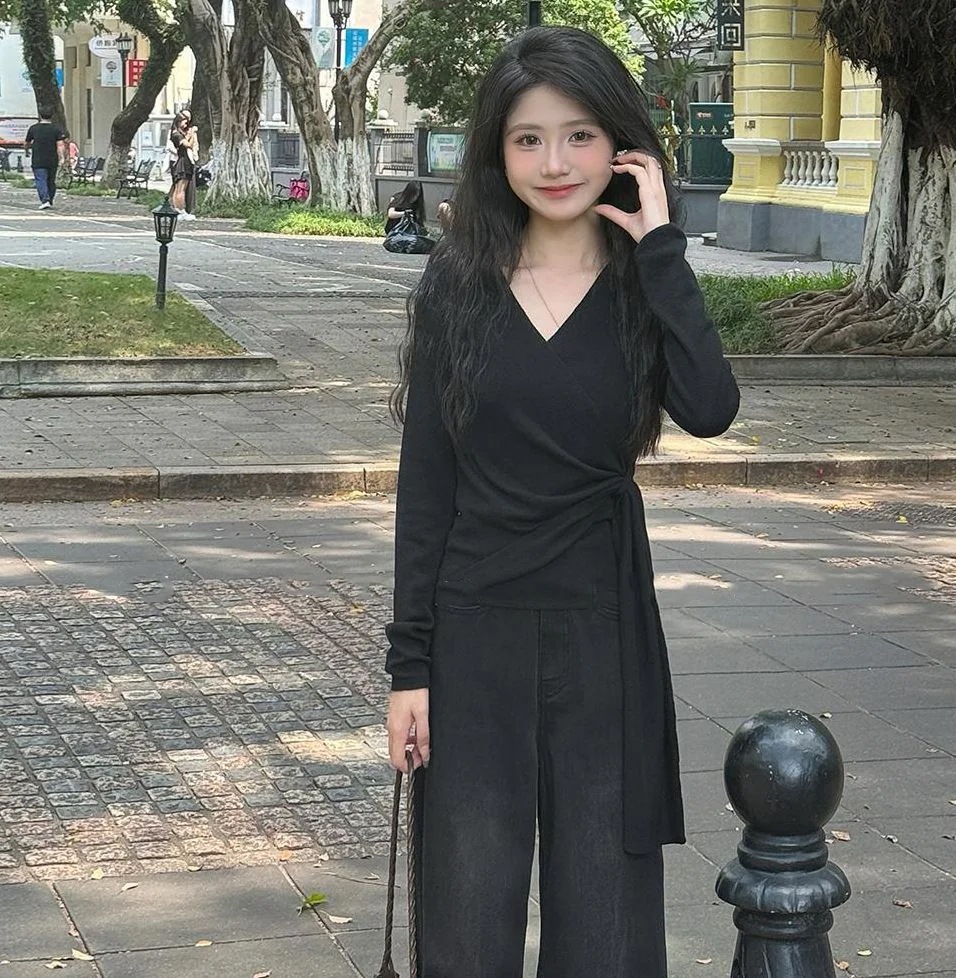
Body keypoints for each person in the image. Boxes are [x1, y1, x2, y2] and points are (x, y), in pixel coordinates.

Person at [384, 26, 740, 978]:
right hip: (474, 633)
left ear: (621, 145)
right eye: (529, 139)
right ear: (498, 153)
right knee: (466, 926)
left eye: (580, 135)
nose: (554, 163)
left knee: (605, 929)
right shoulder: (458, 284)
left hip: (603, 633)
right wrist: (408, 670)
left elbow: (711, 408)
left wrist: (661, 247)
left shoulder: (641, 283)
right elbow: (427, 486)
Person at [24, 106, 67, 211]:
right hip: (52, 159)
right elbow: (60, 145)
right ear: (52, 116)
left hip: (38, 159)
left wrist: (27, 150)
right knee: (51, 181)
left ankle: (45, 199)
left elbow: (27, 143)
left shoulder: (34, 128)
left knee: (40, 179)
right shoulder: (56, 129)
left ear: (40, 115)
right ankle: (49, 199)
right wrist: (62, 158)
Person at [168, 110, 197, 220]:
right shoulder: (176, 135)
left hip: (183, 161)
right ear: (179, 122)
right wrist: (192, 135)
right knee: (180, 188)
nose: (186, 125)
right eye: (185, 122)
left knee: (179, 188)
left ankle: (178, 209)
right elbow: (188, 145)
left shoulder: (177, 133)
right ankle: (180, 210)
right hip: (183, 162)